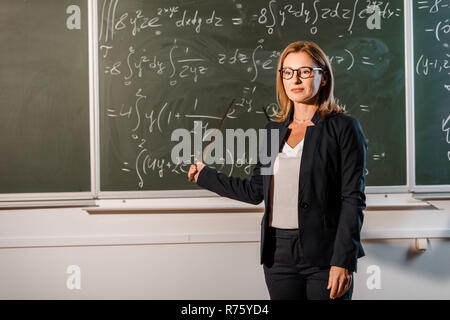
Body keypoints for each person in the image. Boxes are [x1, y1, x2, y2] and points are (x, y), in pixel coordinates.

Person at [187, 41, 367, 300]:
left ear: (323, 76)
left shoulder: (343, 128)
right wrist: (205, 175)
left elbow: (353, 198)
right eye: (287, 71)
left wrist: (344, 261)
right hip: (278, 256)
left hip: (326, 256)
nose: (295, 79)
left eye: (305, 71)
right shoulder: (274, 131)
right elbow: (255, 191)